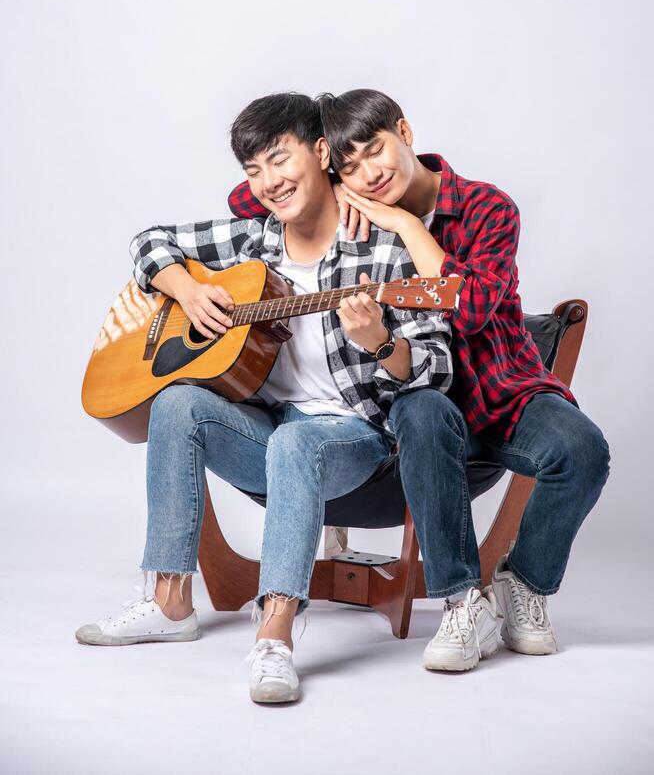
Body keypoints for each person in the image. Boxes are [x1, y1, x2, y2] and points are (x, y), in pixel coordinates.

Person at [75, 92, 454, 702]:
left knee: (302, 438)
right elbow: (148, 243)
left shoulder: (382, 249)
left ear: (321, 152)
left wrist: (382, 341)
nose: (270, 182)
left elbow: (435, 369)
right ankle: (169, 603)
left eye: (280, 160)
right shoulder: (255, 242)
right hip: (269, 436)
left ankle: (274, 634)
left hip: (354, 444)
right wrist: (188, 292)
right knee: (177, 404)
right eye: (254, 171)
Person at [227, 88, 611, 672]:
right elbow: (245, 196)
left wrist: (404, 224)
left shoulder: (486, 206)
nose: (367, 174)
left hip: (500, 391)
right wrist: (325, 185)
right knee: (424, 410)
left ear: (405, 133)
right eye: (348, 164)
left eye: (375, 151)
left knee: (583, 450)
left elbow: (475, 305)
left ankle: (524, 585)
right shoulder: (345, 200)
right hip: (421, 397)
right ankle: (462, 603)